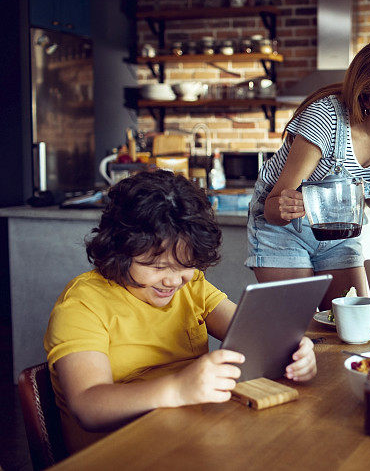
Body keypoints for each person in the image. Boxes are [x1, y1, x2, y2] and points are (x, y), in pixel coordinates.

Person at [44, 170, 317, 453]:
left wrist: (293, 350)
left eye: (185, 265)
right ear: (119, 250)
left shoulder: (191, 286)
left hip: (191, 437)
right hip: (121, 455)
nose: (173, 281)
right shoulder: (83, 303)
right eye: (157, 267)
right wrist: (177, 389)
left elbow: (256, 335)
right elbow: (88, 405)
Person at [247, 37, 370, 310]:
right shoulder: (325, 119)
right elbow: (273, 208)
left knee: (348, 324)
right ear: (365, 100)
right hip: (283, 231)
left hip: (339, 232)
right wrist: (288, 205)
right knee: (298, 331)